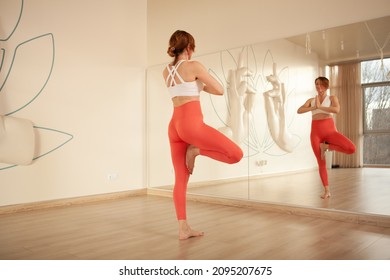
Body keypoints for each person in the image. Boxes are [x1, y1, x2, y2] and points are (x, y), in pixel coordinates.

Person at [162, 30, 243, 240]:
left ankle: (183, 229)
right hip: (191, 124)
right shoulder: (194, 66)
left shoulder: (166, 71)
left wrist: (195, 84)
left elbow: (184, 89)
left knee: (181, 178)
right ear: (189, 47)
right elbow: (219, 90)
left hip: (174, 125)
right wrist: (200, 83)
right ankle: (196, 150)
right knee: (236, 154)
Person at [297, 76, 355, 199]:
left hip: (330, 131)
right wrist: (314, 107)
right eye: (316, 84)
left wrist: (320, 107)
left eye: (321, 84)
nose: (318, 86)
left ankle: (326, 146)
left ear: (326, 86)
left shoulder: (332, 98)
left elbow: (336, 110)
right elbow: (299, 110)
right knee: (321, 162)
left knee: (351, 148)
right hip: (315, 133)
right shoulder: (311, 100)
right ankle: (327, 191)